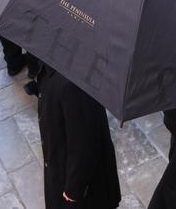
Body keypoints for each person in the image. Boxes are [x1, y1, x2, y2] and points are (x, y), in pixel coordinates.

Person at [37, 67, 121, 209]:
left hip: (82, 189)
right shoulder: (56, 69)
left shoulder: (72, 84)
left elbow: (84, 146)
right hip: (63, 165)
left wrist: (72, 191)